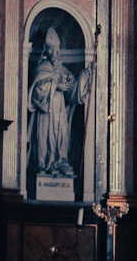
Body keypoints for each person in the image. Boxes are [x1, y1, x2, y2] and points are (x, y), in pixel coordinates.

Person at [27, 27, 94, 177]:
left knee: (61, 135)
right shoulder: (41, 68)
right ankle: (44, 164)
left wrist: (85, 74)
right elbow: (36, 90)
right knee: (45, 137)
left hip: (60, 111)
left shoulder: (63, 70)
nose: (56, 53)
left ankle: (60, 161)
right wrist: (54, 85)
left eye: (57, 50)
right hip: (46, 112)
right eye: (52, 50)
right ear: (46, 51)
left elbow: (72, 88)